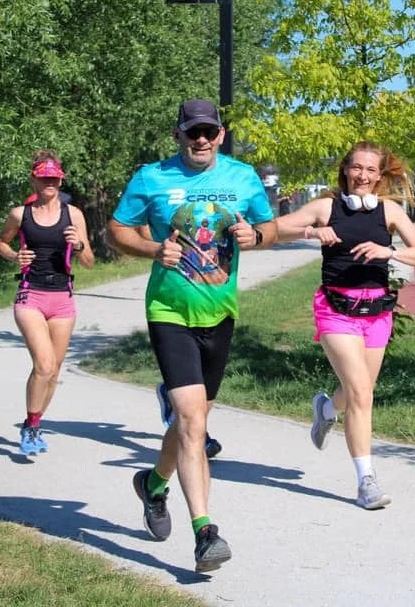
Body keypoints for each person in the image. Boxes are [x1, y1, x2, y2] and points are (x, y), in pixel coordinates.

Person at [108, 98, 277, 572]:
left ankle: (154, 485)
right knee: (190, 420)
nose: (200, 139)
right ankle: (206, 533)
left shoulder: (243, 177)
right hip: (169, 311)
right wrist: (149, 248)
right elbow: (116, 229)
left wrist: (257, 238)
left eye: (208, 131)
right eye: (191, 132)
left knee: (192, 422)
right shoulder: (152, 177)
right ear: (178, 134)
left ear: (220, 134)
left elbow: (267, 225)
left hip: (220, 313)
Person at [275, 141, 415, 509]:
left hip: (377, 310)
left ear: (379, 176)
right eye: (357, 168)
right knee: (362, 393)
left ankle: (327, 410)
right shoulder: (325, 207)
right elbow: (274, 229)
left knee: (356, 392)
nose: (362, 176)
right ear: (346, 169)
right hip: (335, 308)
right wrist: (312, 232)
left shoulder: (389, 211)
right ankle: (366, 482)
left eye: (370, 170)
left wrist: (390, 251)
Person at [0, 150, 94, 456]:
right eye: (44, 177)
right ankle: (32, 426)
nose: (49, 182)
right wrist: (14, 255)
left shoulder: (73, 214)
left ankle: (34, 422)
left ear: (60, 179)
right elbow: (0, 242)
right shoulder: (19, 214)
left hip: (62, 297)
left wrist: (78, 245)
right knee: (44, 364)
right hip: (30, 295)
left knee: (54, 370)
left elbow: (89, 261)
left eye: (54, 178)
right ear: (33, 179)